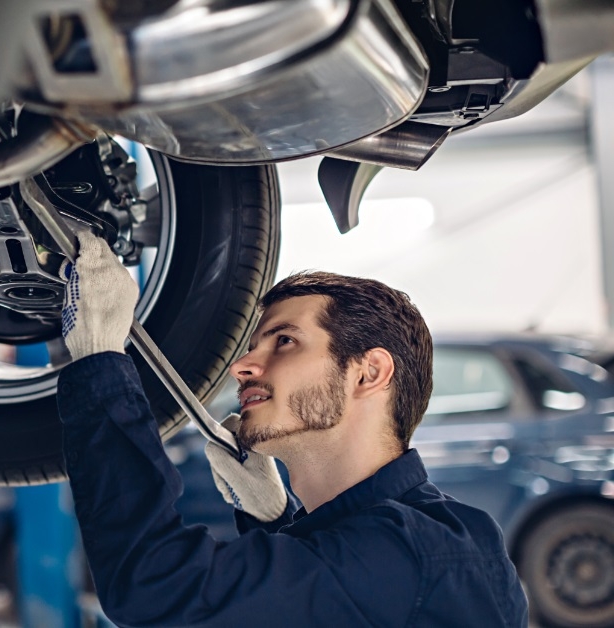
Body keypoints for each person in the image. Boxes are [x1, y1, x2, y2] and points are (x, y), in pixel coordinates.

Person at [56, 231, 528, 627]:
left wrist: (100, 360)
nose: (241, 365)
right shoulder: (439, 535)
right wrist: (275, 521)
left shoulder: (407, 551)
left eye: (284, 341)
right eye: (254, 345)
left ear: (368, 373)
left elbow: (153, 586)